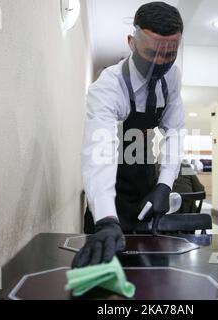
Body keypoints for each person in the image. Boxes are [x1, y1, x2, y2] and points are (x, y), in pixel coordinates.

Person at [74, 2, 185, 268]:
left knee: (150, 283)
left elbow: (175, 130)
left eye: (169, 56)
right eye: (151, 53)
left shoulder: (172, 78)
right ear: (131, 42)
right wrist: (105, 219)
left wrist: (164, 184)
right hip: (109, 198)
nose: (160, 63)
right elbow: (99, 152)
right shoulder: (109, 86)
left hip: (147, 197)